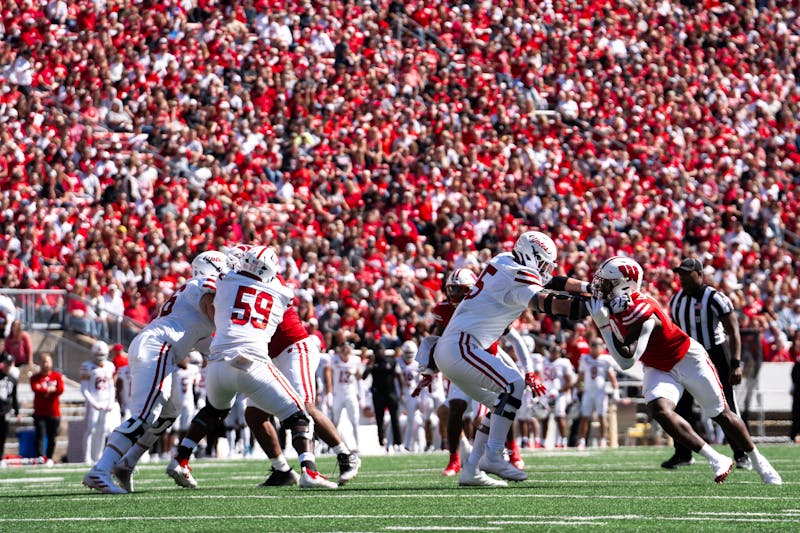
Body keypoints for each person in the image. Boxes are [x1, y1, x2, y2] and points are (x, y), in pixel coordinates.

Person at [587, 255, 781, 484]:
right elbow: (573, 291)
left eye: (608, 283)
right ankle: (715, 458)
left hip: (687, 359)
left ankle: (758, 460)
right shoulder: (624, 301)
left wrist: (603, 326)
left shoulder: (644, 310)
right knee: (659, 409)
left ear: (625, 285)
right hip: (658, 365)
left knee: (721, 413)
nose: (602, 287)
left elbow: (626, 361)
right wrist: (539, 286)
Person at [169, 245, 337, 489]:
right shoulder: (281, 292)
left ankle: (180, 458)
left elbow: (218, 279)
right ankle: (309, 472)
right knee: (299, 416)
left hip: (217, 365)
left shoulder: (224, 281)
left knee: (212, 412)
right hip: (252, 363)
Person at [431, 231, 585, 487]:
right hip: (462, 345)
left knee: (499, 403)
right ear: (531, 256)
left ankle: (471, 470)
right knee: (513, 385)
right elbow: (552, 304)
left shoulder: (504, 260)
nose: (546, 269)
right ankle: (494, 454)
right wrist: (592, 306)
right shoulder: (517, 274)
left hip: (457, 347)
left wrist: (589, 288)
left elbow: (553, 282)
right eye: (544, 262)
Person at [83, 250, 229, 494]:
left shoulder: (190, 301)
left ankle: (126, 464)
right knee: (145, 414)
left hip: (158, 346)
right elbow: (210, 303)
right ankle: (100, 470)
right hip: (159, 346)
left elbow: (210, 347)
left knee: (167, 414)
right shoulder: (203, 285)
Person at [664, 257, 750, 470]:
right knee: (680, 406)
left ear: (700, 274)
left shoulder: (715, 297)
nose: (682, 277)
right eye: (680, 273)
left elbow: (733, 331)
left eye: (687, 273)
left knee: (725, 405)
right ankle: (683, 453)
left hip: (716, 354)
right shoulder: (676, 300)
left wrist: (736, 362)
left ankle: (742, 454)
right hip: (687, 357)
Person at [576, 339, 619, 449]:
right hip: (588, 392)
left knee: (602, 416)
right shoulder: (585, 358)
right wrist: (576, 390)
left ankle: (603, 440)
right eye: (593, 345)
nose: (595, 347)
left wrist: (616, 391)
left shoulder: (605, 359)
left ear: (602, 346)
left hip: (600, 392)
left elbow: (612, 377)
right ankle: (581, 440)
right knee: (584, 417)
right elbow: (580, 377)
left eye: (597, 345)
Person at [81, 341, 118, 464]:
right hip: (94, 402)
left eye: (103, 354)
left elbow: (112, 387)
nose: (101, 357)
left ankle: (98, 457)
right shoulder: (87, 366)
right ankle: (87, 458)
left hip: (106, 402)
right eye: (98, 354)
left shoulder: (110, 366)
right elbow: (84, 389)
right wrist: (94, 403)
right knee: (90, 429)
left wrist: (111, 402)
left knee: (103, 430)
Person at [362, 342, 404, 452]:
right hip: (378, 395)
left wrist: (402, 392)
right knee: (379, 420)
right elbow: (363, 376)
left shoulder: (391, 361)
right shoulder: (372, 362)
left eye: (381, 349)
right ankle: (382, 443)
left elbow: (399, 377)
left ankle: (398, 443)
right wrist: (370, 365)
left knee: (395, 419)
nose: (379, 352)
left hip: (391, 394)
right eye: (377, 350)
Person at [326, 342, 363, 453]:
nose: (346, 351)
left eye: (348, 349)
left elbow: (358, 377)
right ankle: (332, 446)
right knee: (335, 421)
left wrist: (360, 392)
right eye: (344, 348)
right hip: (338, 394)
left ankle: (358, 446)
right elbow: (329, 376)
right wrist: (329, 393)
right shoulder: (334, 359)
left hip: (350, 393)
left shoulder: (355, 360)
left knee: (355, 420)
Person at [30, 352, 64, 464]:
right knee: (40, 434)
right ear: (40, 363)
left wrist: (45, 390)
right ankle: (40, 456)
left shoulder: (57, 376)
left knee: (52, 436)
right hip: (39, 412)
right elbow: (36, 388)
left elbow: (60, 389)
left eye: (47, 361)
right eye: (43, 361)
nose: (46, 364)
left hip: (54, 413)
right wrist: (49, 390)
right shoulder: (35, 377)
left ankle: (49, 457)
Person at [0, 353, 20, 461]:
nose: (7, 366)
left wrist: (17, 411)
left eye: (9, 364)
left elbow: (14, 397)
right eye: (6, 364)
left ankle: (1, 457)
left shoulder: (13, 379)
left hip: (6, 410)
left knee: (3, 435)